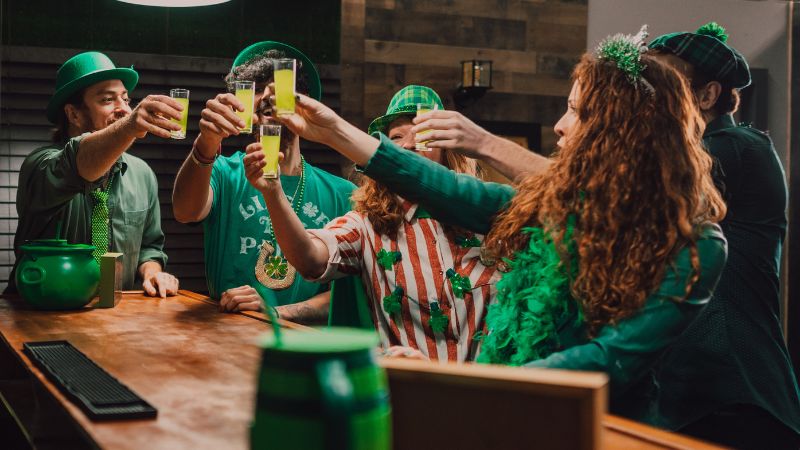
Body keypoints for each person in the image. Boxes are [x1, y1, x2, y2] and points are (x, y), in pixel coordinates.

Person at [269, 27, 730, 426]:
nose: (560, 126)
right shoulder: (553, 205)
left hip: (600, 430)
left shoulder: (697, 244)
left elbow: (610, 357)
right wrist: (331, 131)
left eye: (579, 112)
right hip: (506, 414)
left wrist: (462, 379)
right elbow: (448, 190)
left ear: (624, 130)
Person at [243, 85, 498, 362]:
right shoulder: (367, 225)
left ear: (447, 150)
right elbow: (309, 258)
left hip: (486, 394)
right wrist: (273, 192)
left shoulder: (488, 217)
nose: (408, 145)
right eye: (397, 137)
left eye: (424, 134)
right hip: (406, 390)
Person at [647, 22, 800, 448]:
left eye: (664, 85)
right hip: (692, 398)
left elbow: (608, 193)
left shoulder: (734, 148)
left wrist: (486, 146)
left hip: (734, 396)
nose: (649, 97)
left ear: (707, 95)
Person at [171, 41, 355, 319]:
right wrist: (207, 140)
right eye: (253, 109)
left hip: (303, 349)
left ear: (301, 103)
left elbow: (348, 294)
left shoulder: (342, 193)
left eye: (270, 105)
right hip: (226, 334)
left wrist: (275, 314)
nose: (261, 119)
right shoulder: (226, 172)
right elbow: (185, 211)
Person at [9, 51, 181, 297]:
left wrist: (153, 272)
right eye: (107, 100)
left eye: (125, 99)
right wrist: (131, 126)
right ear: (74, 114)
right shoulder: (41, 164)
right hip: (42, 310)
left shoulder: (142, 174)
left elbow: (149, 247)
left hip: (116, 316)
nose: (124, 110)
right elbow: (79, 163)